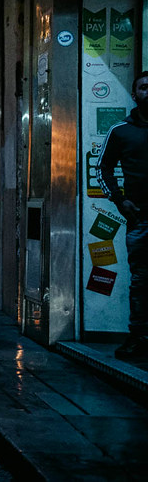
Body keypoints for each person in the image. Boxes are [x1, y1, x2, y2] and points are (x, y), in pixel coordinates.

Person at [98, 70, 148, 359]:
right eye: (143, 87)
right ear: (134, 94)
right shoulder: (120, 131)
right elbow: (103, 167)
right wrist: (120, 202)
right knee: (141, 280)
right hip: (141, 218)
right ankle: (140, 337)